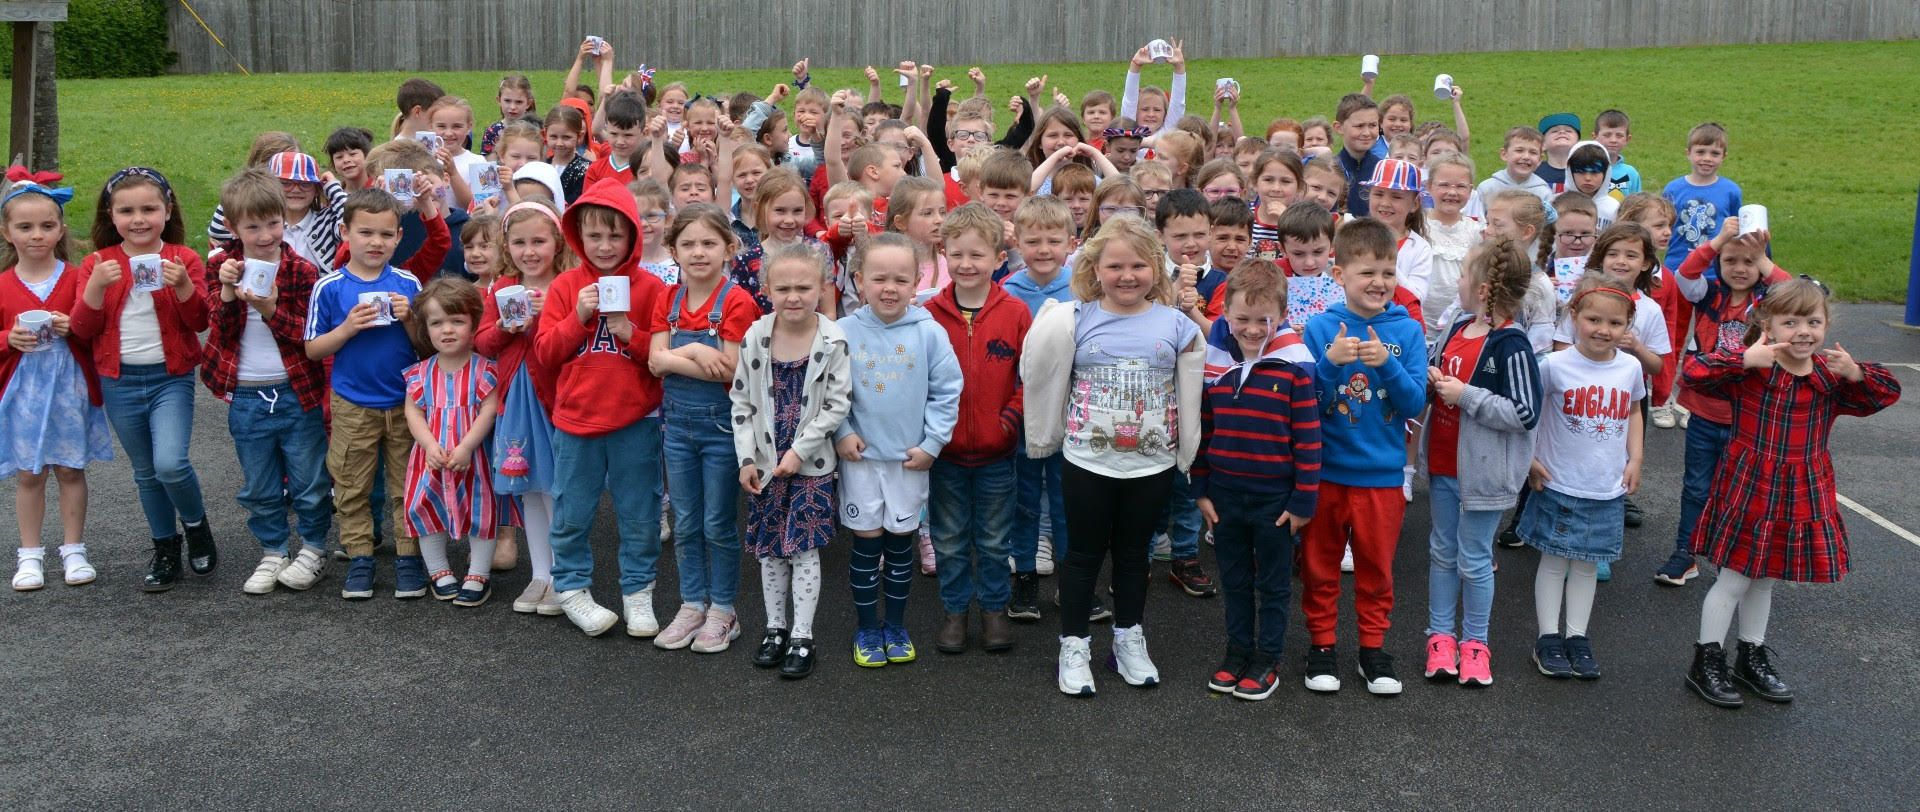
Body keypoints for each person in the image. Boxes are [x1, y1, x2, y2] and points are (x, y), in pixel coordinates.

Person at [1680, 278, 1900, 708]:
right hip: (1750, 489)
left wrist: (1855, 371)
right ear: (1767, 324)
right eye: (1791, 321)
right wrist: (1745, 357)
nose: (1804, 331)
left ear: (1827, 325)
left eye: (1814, 321)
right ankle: (1706, 659)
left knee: (1766, 578)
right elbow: (1693, 374)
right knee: (1734, 578)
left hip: (1800, 489)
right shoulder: (1753, 371)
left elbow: (1885, 394)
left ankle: (1751, 655)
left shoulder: (1829, 377)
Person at [1021, 215, 1203, 697]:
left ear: (1156, 270)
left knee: (1132, 555)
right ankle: (1074, 645)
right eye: (1116, 266)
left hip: (1152, 465)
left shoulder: (1177, 325)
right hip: (1087, 462)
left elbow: (1198, 384)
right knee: (1081, 556)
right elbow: (1038, 372)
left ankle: (1128, 640)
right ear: (1094, 268)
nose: (1127, 276)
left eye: (1139, 265)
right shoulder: (1073, 319)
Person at [533, 178, 670, 637]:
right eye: (595, 236)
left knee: (640, 514)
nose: (605, 245)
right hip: (577, 421)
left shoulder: (651, 288)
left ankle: (638, 593)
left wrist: (631, 335)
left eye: (616, 235)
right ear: (578, 238)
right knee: (572, 511)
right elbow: (546, 353)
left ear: (633, 235)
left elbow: (661, 360)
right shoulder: (566, 286)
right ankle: (571, 588)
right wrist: (578, 317)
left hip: (635, 420)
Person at [70, 167, 217, 591]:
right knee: (146, 472)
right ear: (111, 215)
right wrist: (96, 287)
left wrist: (186, 286)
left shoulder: (182, 259)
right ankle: (165, 545)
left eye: (149, 209)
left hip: (170, 377)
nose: (139, 219)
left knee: (170, 462)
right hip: (120, 380)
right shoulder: (98, 263)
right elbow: (82, 329)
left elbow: (200, 320)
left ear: (167, 210)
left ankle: (195, 525)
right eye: (127, 210)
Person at [1299, 218, 1427, 696]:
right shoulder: (1319, 327)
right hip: (1326, 474)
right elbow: (1306, 402)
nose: (1379, 283)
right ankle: (1323, 646)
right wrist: (1330, 363)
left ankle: (1373, 649)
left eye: (1388, 273)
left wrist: (1388, 365)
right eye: (1368, 272)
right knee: (1319, 565)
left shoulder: (1407, 331)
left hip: (1381, 477)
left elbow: (1414, 405)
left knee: (1376, 567)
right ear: (1339, 275)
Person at [202, 170, 333, 594]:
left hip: (297, 390)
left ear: (284, 220)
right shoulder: (223, 266)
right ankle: (273, 550)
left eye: (273, 223)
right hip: (246, 391)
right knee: (259, 484)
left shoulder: (300, 269)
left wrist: (271, 308)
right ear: (235, 228)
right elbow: (219, 333)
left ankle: (313, 548)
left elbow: (307, 334)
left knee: (309, 481)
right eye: (253, 226)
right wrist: (225, 293)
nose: (264, 235)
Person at [1194, 264, 1320, 701]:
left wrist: (1304, 500)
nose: (1251, 329)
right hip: (1225, 495)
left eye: (1263, 319)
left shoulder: (1295, 367)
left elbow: (1308, 438)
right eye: (1241, 318)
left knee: (1273, 584)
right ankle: (1237, 652)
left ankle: (1267, 658)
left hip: (1275, 500)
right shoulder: (1217, 362)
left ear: (1282, 314)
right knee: (1233, 580)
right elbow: (1205, 428)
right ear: (1225, 312)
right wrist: (1201, 489)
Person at [1421, 237, 1542, 687]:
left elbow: (1526, 412)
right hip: (1444, 465)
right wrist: (1435, 381)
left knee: (1473, 558)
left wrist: (1465, 395)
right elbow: (1440, 376)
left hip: (1484, 476)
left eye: (1463, 274)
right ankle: (1439, 638)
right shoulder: (1456, 327)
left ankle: (1475, 643)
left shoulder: (1511, 344)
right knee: (1441, 551)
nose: (1457, 281)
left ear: (1485, 287)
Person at [647, 204, 762, 652]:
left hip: (721, 428)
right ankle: (691, 603)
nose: (698, 252)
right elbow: (656, 362)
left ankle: (723, 610)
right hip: (676, 428)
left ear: (729, 249)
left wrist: (679, 357)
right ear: (673, 251)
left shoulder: (736, 300)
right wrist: (696, 351)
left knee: (718, 522)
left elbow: (732, 371)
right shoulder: (666, 298)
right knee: (687, 520)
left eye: (709, 243)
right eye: (688, 244)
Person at [734, 242, 851, 680]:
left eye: (804, 287)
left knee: (802, 550)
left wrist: (799, 451)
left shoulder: (833, 338)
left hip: (810, 463)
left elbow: (836, 405)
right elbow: (741, 400)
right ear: (767, 289)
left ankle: (803, 635)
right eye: (783, 288)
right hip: (766, 462)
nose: (794, 296)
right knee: (770, 552)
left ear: (823, 288)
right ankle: (775, 628)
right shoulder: (756, 335)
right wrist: (747, 458)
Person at [305, 188, 427, 600]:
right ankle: (360, 556)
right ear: (345, 233)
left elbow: (425, 348)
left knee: (404, 483)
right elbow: (312, 348)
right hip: (353, 402)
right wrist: (347, 328)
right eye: (366, 233)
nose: (376, 243)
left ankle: (409, 555)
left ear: (397, 238)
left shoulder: (408, 283)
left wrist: (410, 319)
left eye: (386, 234)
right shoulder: (330, 287)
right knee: (352, 483)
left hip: (405, 401)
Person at [1524, 274, 1646, 680]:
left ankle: (1577, 636)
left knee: (1588, 565)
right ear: (1574, 315)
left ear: (1628, 325)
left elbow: (1633, 412)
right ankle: (1548, 636)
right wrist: (1530, 459)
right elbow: (1531, 416)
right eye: (1594, 319)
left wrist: (1636, 458)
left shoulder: (1630, 368)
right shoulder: (1554, 366)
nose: (1603, 330)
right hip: (1559, 481)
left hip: (1605, 488)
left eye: (1615, 323)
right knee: (1554, 560)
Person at [1657, 216, 1788, 586]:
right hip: (1704, 412)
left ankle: (1736, 556)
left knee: (1743, 493)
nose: (1740, 269)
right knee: (1697, 487)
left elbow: (1790, 288)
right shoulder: (1709, 293)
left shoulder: (1769, 301)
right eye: (1731, 261)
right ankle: (1686, 553)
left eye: (1749, 262)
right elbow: (1685, 274)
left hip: (1748, 419)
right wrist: (1718, 241)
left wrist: (1761, 256)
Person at [925, 204, 1031, 654]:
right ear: (943, 253)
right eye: (958, 254)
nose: (967, 265)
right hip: (943, 453)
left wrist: (1010, 419)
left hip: (996, 452)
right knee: (948, 540)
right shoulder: (928, 314)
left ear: (999, 257)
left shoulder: (1016, 311)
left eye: (978, 255)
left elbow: (1030, 377)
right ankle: (954, 611)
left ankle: (993, 609)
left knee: (992, 539)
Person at [1, 170, 111, 591]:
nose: (36, 235)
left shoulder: (77, 276)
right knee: (29, 474)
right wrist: (7, 338)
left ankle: (73, 548)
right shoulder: (3, 284)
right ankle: (29, 555)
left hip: (69, 387)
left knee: (70, 468)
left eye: (47, 226)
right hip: (22, 391)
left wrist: (75, 325)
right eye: (25, 227)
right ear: (7, 232)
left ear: (61, 229)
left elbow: (95, 325)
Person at [476, 199, 569, 615]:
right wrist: (503, 326)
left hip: (556, 395)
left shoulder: (567, 285)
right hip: (518, 395)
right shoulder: (501, 288)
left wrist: (544, 318)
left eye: (538, 241)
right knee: (529, 488)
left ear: (557, 242)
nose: (529, 251)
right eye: (519, 242)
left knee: (556, 488)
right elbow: (482, 344)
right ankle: (540, 573)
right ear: (505, 245)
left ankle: (566, 575)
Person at [1552, 222, 1671, 543]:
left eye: (1631, 255)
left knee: (1615, 459)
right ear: (1600, 258)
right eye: (1613, 253)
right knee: (1570, 454)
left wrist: (1637, 349)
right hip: (1578, 395)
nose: (1621, 261)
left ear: (1646, 263)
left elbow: (1658, 366)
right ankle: (1552, 517)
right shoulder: (1582, 301)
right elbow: (1561, 347)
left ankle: (1604, 525)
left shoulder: (1650, 309)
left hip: (1627, 399)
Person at [402, 279, 501, 607]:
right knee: (426, 507)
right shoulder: (419, 373)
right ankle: (439, 570)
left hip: (472, 457)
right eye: (437, 322)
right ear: (425, 328)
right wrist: (430, 446)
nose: (447, 330)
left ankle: (479, 572)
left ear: (474, 323)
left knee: (480, 510)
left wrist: (467, 446)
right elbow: (413, 412)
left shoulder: (485, 370)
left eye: (457, 321)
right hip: (430, 457)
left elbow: (488, 411)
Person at [1002, 196, 1076, 618]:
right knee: (1025, 499)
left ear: (1071, 241)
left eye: (1053, 240)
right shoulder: (1009, 293)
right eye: (1033, 241)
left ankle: (1071, 581)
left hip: (1070, 415)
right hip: (1025, 416)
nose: (1043, 249)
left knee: (1068, 502)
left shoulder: (1083, 288)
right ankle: (1025, 579)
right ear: (1018, 243)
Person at [1661, 122, 1740, 274]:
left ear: (1724, 156)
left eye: (1715, 153)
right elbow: (1663, 226)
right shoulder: (1673, 189)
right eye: (1700, 152)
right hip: (1676, 266)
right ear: (1688, 153)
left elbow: (1736, 230)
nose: (1707, 158)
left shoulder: (1731, 191)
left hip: (1713, 270)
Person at [1469, 127, 1552, 216]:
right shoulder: (1487, 188)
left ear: (1540, 159)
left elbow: (1547, 226)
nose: (1526, 157)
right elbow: (1476, 220)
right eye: (1519, 150)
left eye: (1533, 152)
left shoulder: (1543, 192)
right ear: (1504, 154)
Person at [1331, 94, 1383, 217]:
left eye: (1373, 125)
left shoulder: (1383, 169)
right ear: (1339, 128)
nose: (1366, 133)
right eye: (1359, 126)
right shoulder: (1330, 169)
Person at [480, 74, 535, 158]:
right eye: (507, 101)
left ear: (528, 103)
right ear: (499, 100)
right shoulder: (493, 131)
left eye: (519, 102)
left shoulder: (535, 130)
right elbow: (485, 163)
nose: (512, 107)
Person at [1594, 109, 1641, 197]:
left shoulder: (1631, 173)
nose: (1613, 140)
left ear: (1627, 139)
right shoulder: (1588, 170)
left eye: (1619, 136)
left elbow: (1637, 205)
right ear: (1595, 136)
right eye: (1607, 135)